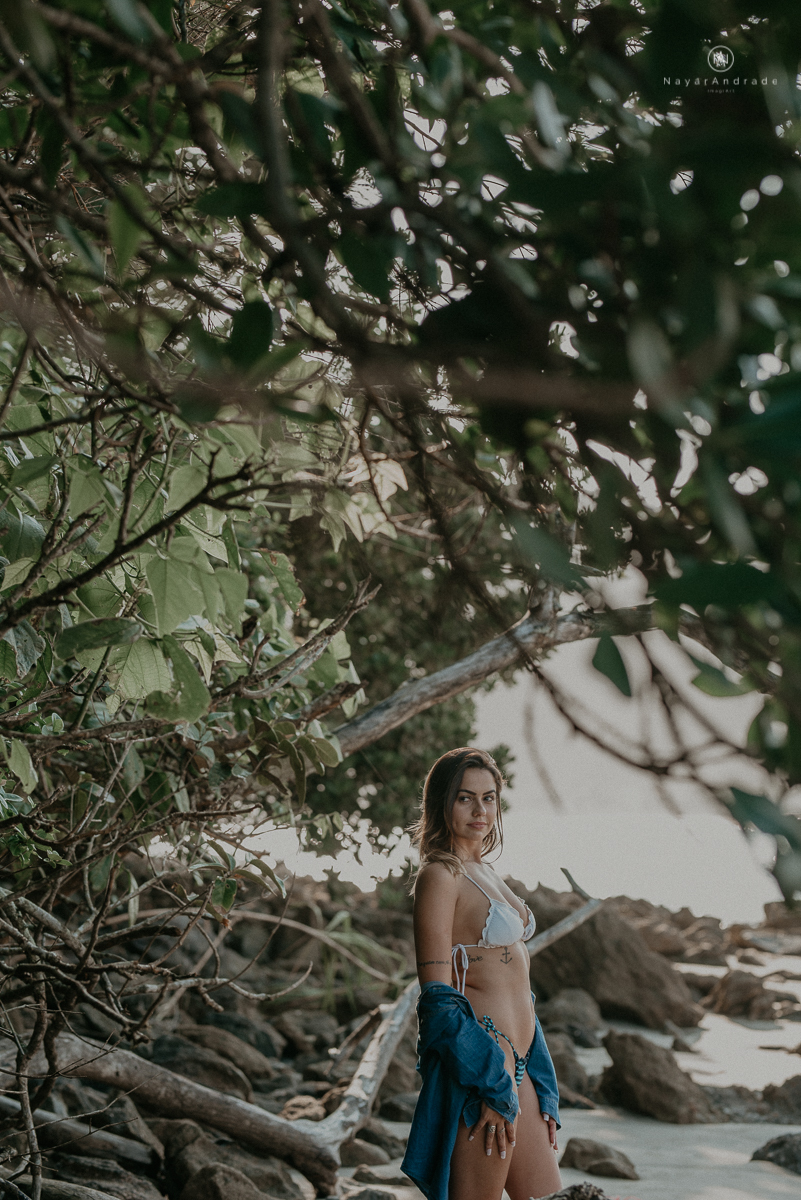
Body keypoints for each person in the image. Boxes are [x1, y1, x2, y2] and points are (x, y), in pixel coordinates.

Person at [401, 747, 562, 1200]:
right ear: (442, 803)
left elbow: (520, 992)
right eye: (465, 798)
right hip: (479, 1072)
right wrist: (489, 1082)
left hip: (523, 1068)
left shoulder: (485, 871)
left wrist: (542, 1082)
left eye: (489, 798)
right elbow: (436, 998)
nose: (480, 810)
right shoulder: (440, 877)